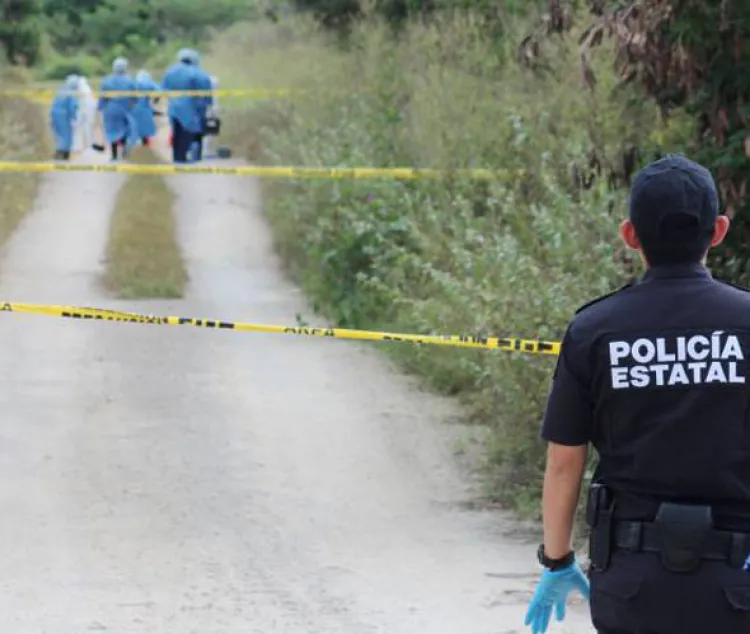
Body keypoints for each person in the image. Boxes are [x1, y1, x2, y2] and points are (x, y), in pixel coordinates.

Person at [525, 153, 750, 634]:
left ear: (630, 235)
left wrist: (557, 560)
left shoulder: (594, 330)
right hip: (738, 580)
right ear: (719, 231)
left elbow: (565, 461)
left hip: (632, 584)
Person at [161, 49, 203, 163]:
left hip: (173, 105)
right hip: (189, 105)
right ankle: (183, 156)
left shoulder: (170, 71)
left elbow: (163, 89)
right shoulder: (194, 72)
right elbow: (201, 89)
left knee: (176, 131)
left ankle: (176, 157)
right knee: (187, 131)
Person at [98, 57, 137, 161]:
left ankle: (114, 156)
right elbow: (135, 96)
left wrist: (101, 108)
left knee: (112, 131)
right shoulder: (130, 80)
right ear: (125, 68)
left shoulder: (107, 81)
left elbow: (102, 97)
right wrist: (132, 106)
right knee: (125, 130)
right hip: (125, 108)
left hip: (111, 109)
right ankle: (124, 151)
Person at [185, 49, 214, 162]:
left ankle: (186, 152)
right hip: (200, 106)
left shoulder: (180, 74)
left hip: (185, 106)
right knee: (199, 130)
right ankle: (197, 154)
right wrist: (209, 104)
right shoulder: (203, 75)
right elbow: (208, 92)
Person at [49, 75, 79, 160]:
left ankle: (58, 152)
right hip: (64, 116)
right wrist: (74, 117)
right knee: (66, 135)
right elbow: (72, 107)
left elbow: (54, 103)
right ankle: (64, 154)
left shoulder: (60, 91)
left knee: (58, 134)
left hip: (55, 114)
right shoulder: (72, 94)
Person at [133, 69, 160, 146]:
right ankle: (144, 145)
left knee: (135, 128)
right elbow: (159, 92)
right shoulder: (149, 82)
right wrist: (155, 101)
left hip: (133, 109)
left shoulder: (134, 82)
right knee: (145, 129)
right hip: (145, 109)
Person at [72, 76, 97, 153]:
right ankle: (88, 146)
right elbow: (93, 102)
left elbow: (78, 103)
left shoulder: (80, 89)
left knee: (78, 129)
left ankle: (78, 147)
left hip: (83, 112)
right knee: (88, 129)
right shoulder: (88, 89)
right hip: (88, 112)